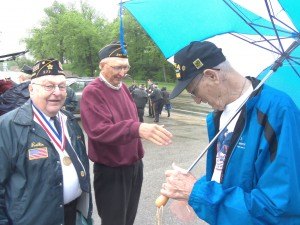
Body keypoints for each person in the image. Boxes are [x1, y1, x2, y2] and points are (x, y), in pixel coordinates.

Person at [160, 41, 300, 224]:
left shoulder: (278, 112)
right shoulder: (217, 116)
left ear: (211, 76)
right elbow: (231, 177)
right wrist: (190, 189)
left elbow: (278, 209)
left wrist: (198, 192)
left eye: (193, 91)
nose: (197, 101)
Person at [80, 41, 172, 225]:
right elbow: (99, 131)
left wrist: (143, 129)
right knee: (114, 221)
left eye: (126, 67)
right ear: (102, 66)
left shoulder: (122, 87)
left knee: (128, 219)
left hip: (134, 165)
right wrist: (137, 128)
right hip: (111, 170)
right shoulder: (93, 92)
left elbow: (130, 118)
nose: (122, 73)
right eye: (117, 67)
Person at [0, 59, 92, 225]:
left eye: (62, 86)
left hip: (73, 215)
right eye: (49, 86)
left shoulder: (69, 121)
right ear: (31, 89)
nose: (57, 92)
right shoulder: (8, 126)